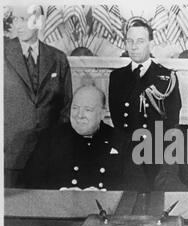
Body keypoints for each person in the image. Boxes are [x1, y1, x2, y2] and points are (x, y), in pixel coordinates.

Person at [22, 85, 146, 191]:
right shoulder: (51, 138)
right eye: (75, 108)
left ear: (103, 113)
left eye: (88, 110)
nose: (79, 115)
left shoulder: (122, 141)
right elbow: (28, 184)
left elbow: (137, 187)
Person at [4, 5, 73, 187]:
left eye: (25, 19)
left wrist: (55, 146)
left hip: (47, 157)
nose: (19, 25)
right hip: (9, 157)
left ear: (39, 22)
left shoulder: (58, 58)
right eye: (16, 19)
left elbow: (66, 106)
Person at [108, 18, 182, 185]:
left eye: (140, 41)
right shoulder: (117, 77)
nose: (134, 46)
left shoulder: (167, 77)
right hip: (127, 154)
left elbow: (172, 122)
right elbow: (118, 121)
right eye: (130, 41)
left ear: (151, 43)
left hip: (156, 153)